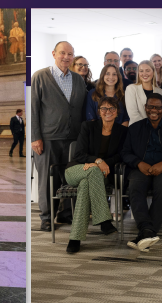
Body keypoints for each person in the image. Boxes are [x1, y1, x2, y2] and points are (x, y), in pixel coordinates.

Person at [30, 41, 87, 232]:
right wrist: (35, 137)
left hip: (73, 139)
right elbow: (33, 109)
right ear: (54, 54)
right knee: (47, 179)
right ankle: (46, 217)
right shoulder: (39, 77)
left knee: (71, 178)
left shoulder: (79, 80)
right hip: (47, 138)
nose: (66, 57)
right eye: (63, 53)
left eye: (70, 54)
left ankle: (66, 213)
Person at [120, 94, 162, 251]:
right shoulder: (135, 128)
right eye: (150, 106)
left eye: (158, 107)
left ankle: (146, 232)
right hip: (141, 168)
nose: (154, 110)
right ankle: (147, 230)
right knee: (135, 186)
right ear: (145, 108)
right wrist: (138, 163)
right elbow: (125, 152)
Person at [65, 98, 127, 253]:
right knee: (92, 172)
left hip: (100, 176)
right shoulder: (88, 126)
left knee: (86, 186)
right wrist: (97, 161)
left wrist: (102, 164)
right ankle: (104, 220)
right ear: (99, 111)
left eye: (112, 108)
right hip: (76, 170)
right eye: (104, 108)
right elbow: (78, 154)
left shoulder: (123, 131)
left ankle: (75, 238)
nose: (108, 112)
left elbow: (122, 155)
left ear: (117, 112)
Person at [125, 60, 162, 125]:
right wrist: (149, 128)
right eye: (141, 71)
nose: (144, 74)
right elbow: (133, 114)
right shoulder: (131, 89)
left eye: (147, 70)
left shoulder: (161, 91)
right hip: (137, 129)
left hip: (158, 130)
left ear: (153, 72)